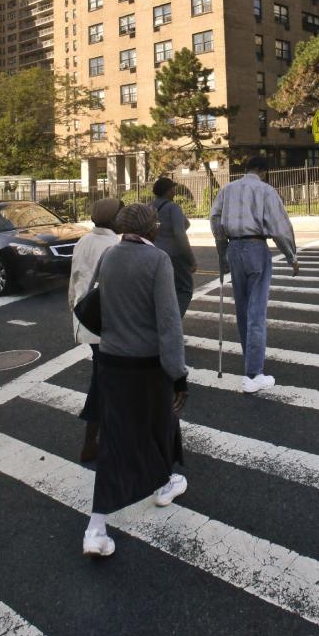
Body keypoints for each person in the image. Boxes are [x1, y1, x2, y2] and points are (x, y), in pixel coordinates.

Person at [83, 202, 188, 558]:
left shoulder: (109, 256)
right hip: (147, 363)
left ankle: (97, 525)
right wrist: (179, 374)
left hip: (112, 361)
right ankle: (164, 483)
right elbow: (169, 323)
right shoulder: (157, 261)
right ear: (151, 229)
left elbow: (98, 303)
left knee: (114, 438)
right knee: (159, 423)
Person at [209, 155, 299, 393]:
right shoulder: (266, 190)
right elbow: (279, 226)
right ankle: (253, 374)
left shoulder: (227, 190)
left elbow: (215, 219)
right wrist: (291, 256)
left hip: (234, 247)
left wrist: (222, 253)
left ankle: (250, 364)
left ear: (246, 168)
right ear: (264, 172)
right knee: (256, 312)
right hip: (256, 247)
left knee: (243, 309)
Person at [67, 196, 122, 462]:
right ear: (112, 219)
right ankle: (90, 441)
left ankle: (100, 438)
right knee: (104, 383)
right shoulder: (115, 245)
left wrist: (73, 310)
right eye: (120, 214)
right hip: (106, 322)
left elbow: (74, 280)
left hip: (85, 318)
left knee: (104, 378)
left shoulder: (83, 241)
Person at [151, 177, 197, 317]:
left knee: (160, 290)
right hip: (174, 255)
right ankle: (173, 321)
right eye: (173, 189)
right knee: (184, 289)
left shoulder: (149, 206)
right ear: (168, 191)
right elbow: (180, 233)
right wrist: (191, 260)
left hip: (153, 253)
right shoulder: (172, 207)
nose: (174, 192)